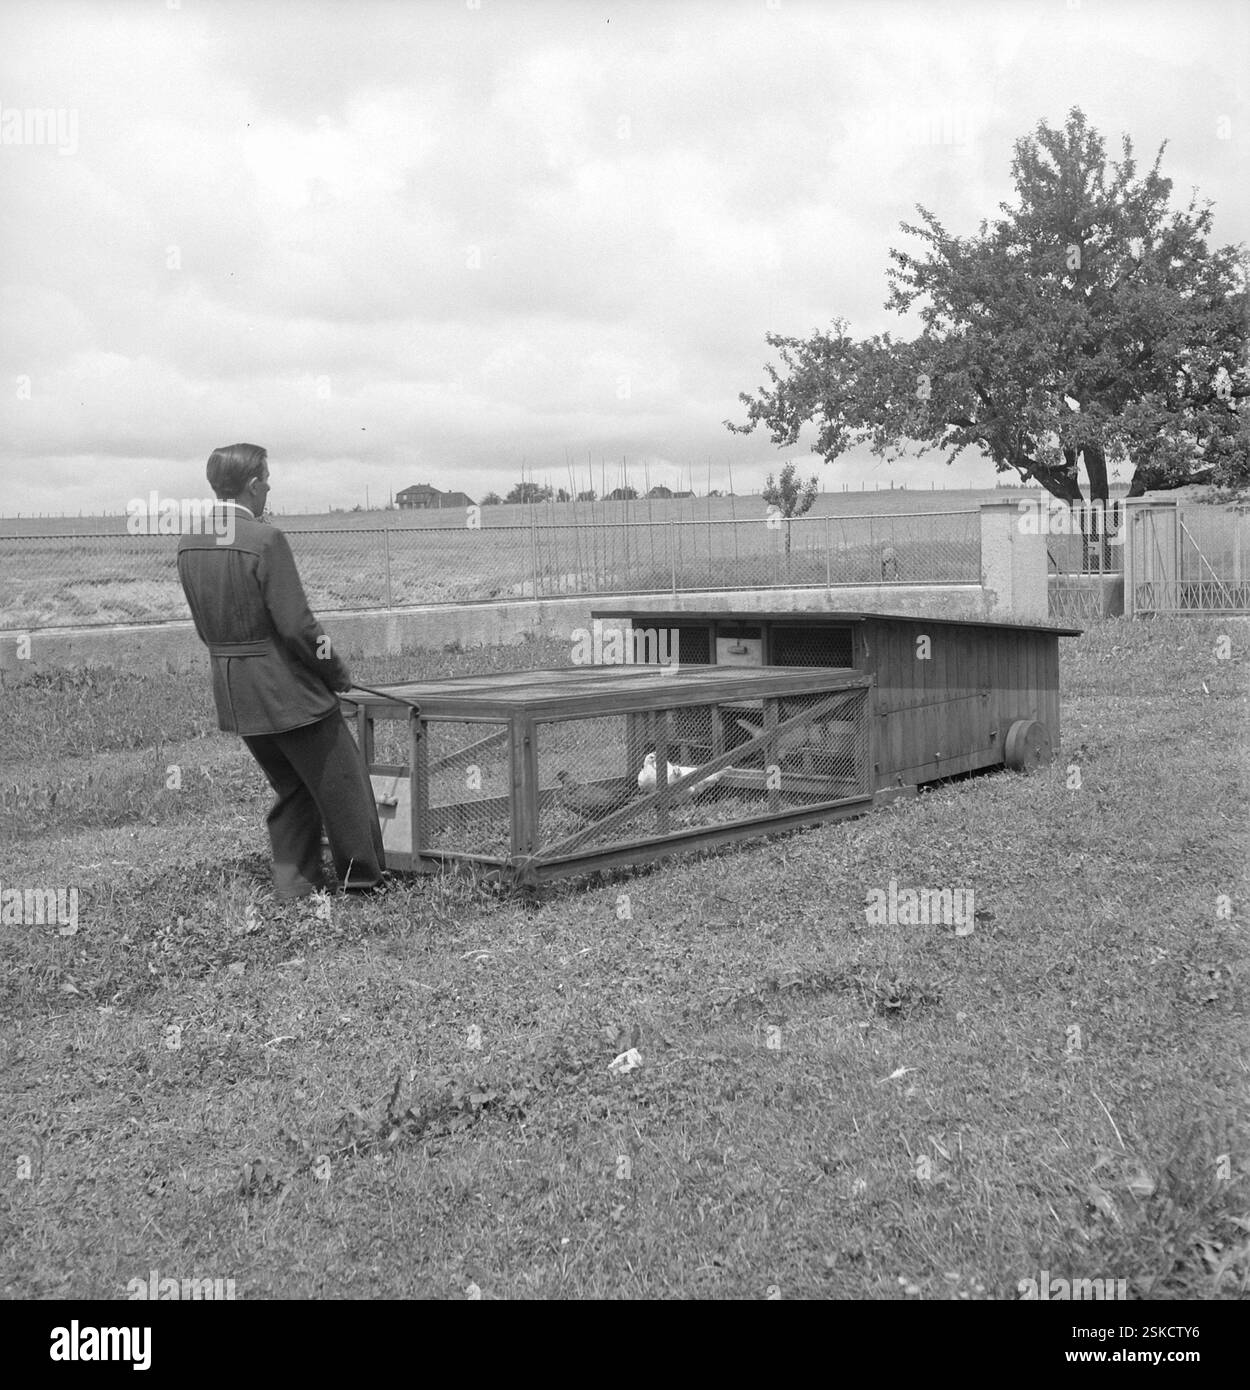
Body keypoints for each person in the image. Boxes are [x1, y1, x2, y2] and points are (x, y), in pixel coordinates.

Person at [177, 443, 386, 901]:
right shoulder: (264, 540)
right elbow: (298, 626)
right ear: (253, 485)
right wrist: (336, 672)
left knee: (293, 787)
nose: (269, 487)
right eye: (267, 479)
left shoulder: (189, 542)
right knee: (344, 787)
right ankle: (364, 884)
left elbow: (201, 625)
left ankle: (294, 887)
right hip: (287, 694)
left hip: (235, 694)